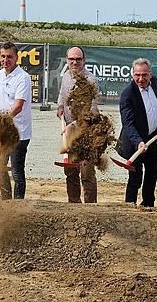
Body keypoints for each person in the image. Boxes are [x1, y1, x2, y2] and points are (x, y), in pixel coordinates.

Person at [117, 58, 157, 207]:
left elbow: (156, 108)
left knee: (153, 172)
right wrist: (138, 141)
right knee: (135, 176)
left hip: (152, 138)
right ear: (133, 75)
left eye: (144, 75)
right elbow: (128, 123)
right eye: (137, 75)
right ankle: (129, 205)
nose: (141, 79)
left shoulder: (155, 84)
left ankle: (148, 203)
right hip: (135, 142)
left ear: (150, 74)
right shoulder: (128, 94)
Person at [56, 46, 100, 203]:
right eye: (71, 59)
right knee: (71, 171)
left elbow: (92, 111)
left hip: (87, 134)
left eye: (78, 59)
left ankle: (90, 210)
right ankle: (73, 206)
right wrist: (60, 106)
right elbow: (62, 94)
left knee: (86, 173)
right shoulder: (66, 75)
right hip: (70, 134)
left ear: (84, 60)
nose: (74, 62)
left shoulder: (91, 81)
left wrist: (73, 124)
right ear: (67, 60)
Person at [0, 42, 33, 200]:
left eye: (9, 57)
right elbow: (0, 95)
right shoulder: (1, 74)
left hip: (19, 133)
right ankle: (6, 199)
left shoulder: (23, 78)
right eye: (3, 56)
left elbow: (18, 106)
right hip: (2, 132)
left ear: (16, 58)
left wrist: (3, 121)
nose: (6, 59)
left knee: (16, 171)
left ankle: (18, 203)